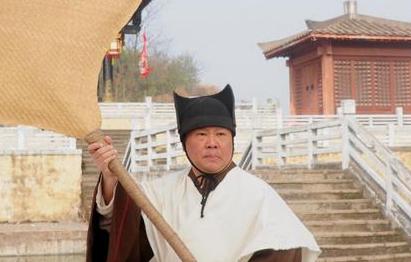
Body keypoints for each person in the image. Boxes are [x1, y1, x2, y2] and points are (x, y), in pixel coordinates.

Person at [86, 85, 321, 262]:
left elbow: (286, 246)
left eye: (220, 134)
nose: (212, 143)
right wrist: (110, 178)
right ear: (185, 143)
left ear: (232, 140)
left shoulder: (257, 194)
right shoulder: (160, 193)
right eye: (201, 135)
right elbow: (119, 232)